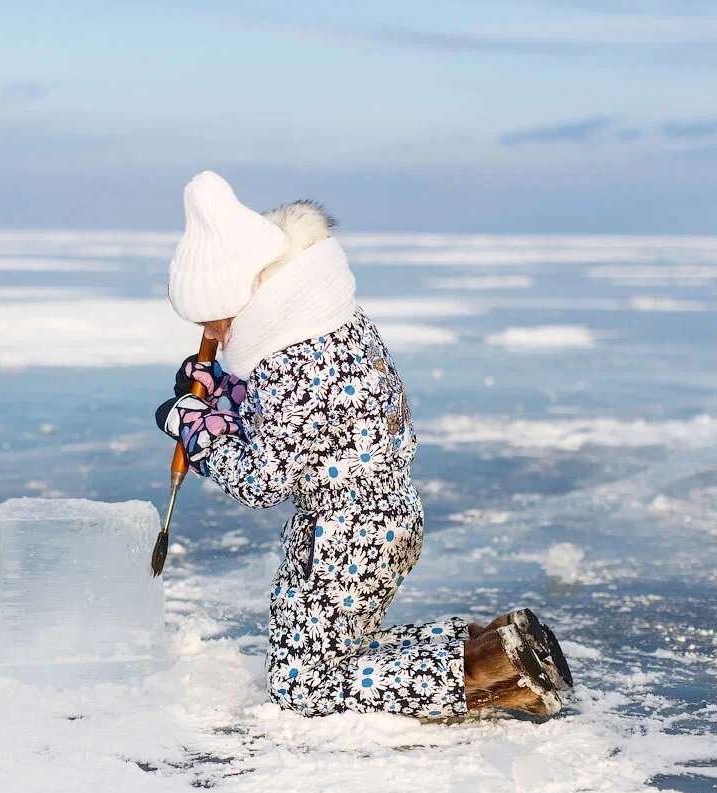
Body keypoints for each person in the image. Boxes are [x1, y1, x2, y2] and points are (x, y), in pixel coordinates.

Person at [155, 171, 572, 718]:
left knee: (304, 690)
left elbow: (263, 478)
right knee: (315, 661)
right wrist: (229, 394)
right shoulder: (323, 329)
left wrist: (199, 434)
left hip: (348, 530)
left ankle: (497, 667)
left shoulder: (296, 363)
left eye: (217, 324)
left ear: (243, 299)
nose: (212, 338)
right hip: (369, 517)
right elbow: (306, 421)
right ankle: (486, 647)